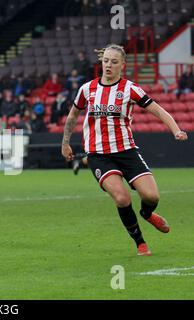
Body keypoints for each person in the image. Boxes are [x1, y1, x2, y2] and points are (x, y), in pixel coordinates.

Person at [61, 44, 189, 256]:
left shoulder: (130, 89)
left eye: (113, 62)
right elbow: (73, 115)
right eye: (106, 61)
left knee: (152, 196)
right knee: (122, 198)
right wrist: (65, 143)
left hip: (126, 151)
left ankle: (147, 214)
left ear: (122, 65)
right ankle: (140, 243)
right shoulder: (87, 89)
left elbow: (158, 110)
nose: (108, 65)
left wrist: (176, 130)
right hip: (98, 154)